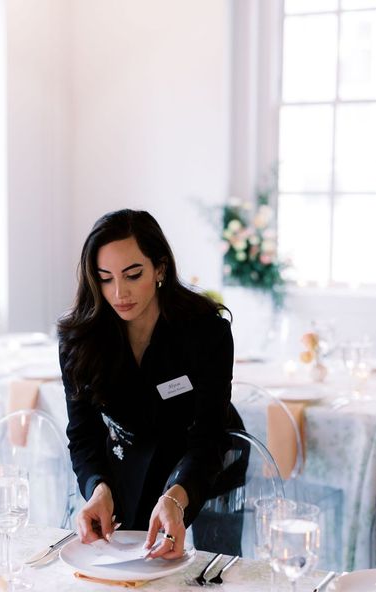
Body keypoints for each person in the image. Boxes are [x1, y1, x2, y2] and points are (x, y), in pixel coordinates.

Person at [58, 209, 243, 560]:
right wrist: (97, 488)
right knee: (131, 568)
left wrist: (177, 495)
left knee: (206, 574)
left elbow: (209, 435)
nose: (119, 293)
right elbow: (82, 435)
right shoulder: (79, 340)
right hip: (129, 460)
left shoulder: (206, 333)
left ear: (159, 268)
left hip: (205, 462)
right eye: (105, 278)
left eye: (132, 275)